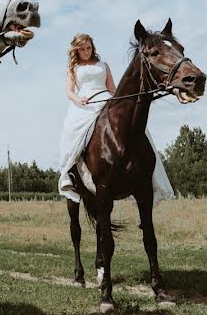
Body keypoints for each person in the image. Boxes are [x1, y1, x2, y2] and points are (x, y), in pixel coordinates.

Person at [57, 33, 174, 205]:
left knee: (134, 127)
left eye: (89, 48)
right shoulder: (73, 68)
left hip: (105, 98)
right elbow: (69, 91)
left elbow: (112, 88)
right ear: (76, 50)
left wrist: (119, 102)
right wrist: (78, 99)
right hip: (84, 103)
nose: (86, 51)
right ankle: (70, 174)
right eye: (82, 49)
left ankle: (150, 172)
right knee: (71, 135)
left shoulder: (103, 65)